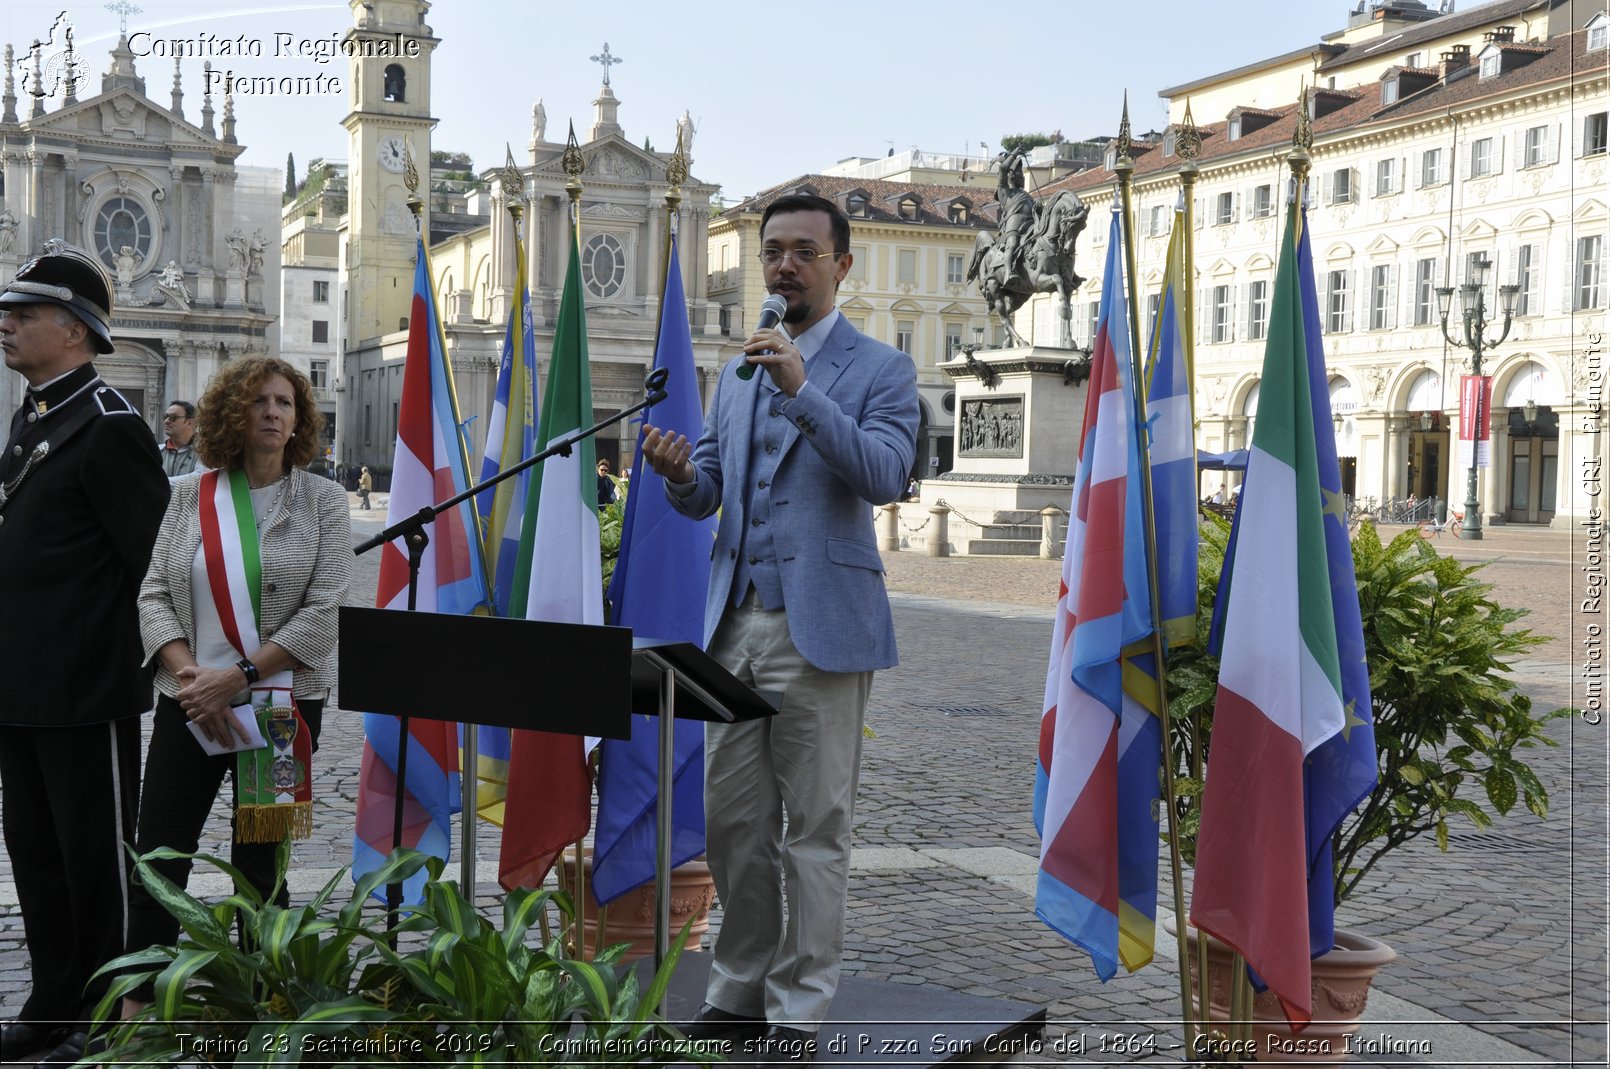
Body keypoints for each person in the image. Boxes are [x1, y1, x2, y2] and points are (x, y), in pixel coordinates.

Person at [642, 193, 918, 1065]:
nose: (784, 266)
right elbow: (713, 490)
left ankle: (798, 1004)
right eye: (773, 252)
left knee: (816, 828)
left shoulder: (882, 369)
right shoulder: (733, 374)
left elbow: (885, 475)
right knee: (734, 824)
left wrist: (803, 390)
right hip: (733, 627)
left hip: (824, 630)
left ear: (841, 265)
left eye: (804, 251)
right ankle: (737, 987)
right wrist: (680, 473)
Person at [122, 356, 352, 1017]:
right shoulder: (188, 496)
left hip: (280, 710)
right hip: (190, 706)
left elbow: (324, 610)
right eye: (260, 402)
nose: (275, 413)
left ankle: (258, 1009)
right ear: (231, 414)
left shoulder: (324, 500)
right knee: (160, 858)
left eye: (286, 403)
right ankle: (139, 1008)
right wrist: (194, 678)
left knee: (263, 870)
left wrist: (238, 677)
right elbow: (154, 593)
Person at [0, 241, 169, 1066]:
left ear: (72, 330)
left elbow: (154, 566)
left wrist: (166, 663)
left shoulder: (112, 429)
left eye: (23, 313)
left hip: (86, 687)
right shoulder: (34, 414)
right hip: (21, 684)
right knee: (33, 850)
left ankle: (105, 1013)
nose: (7, 323)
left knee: (95, 859)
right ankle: (52, 997)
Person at [160, 399, 200, 477]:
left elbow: (199, 479)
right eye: (165, 417)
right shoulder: (158, 451)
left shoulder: (205, 451)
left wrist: (161, 483)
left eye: (173, 417)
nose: (166, 421)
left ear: (190, 422)